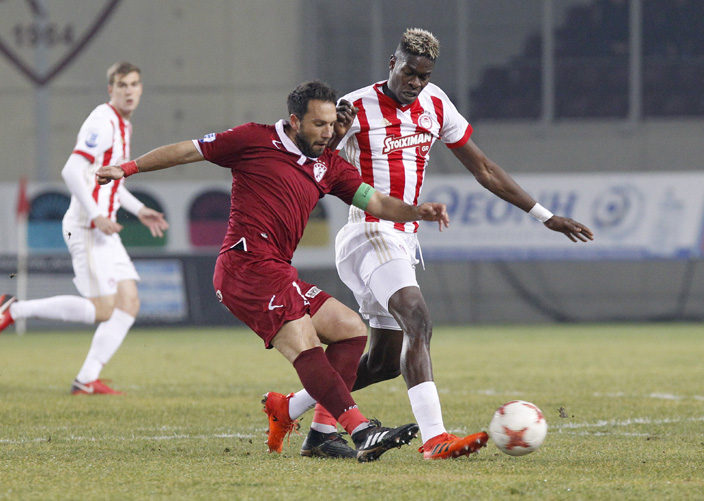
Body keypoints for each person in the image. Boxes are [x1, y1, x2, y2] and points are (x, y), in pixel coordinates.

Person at [276, 28, 595, 460]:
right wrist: (333, 138)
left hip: (403, 239)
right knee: (418, 319)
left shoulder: (436, 103)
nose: (415, 83)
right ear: (393, 63)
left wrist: (545, 215)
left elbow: (483, 168)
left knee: (384, 363)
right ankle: (435, 438)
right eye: (408, 72)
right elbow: (305, 159)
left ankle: (294, 410)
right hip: (369, 230)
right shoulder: (355, 107)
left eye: (423, 76)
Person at [95, 80, 451, 462]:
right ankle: (362, 430)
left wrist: (415, 211)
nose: (328, 133)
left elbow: (376, 201)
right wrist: (127, 168)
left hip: (278, 270)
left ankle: (321, 435)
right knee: (306, 344)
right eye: (318, 124)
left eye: (332, 125)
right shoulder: (253, 139)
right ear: (295, 121)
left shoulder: (329, 166)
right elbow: (187, 150)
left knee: (350, 330)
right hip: (244, 267)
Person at [0, 62, 168, 396]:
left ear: (140, 88)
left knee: (129, 302)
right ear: (111, 89)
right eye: (122, 85)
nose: (129, 91)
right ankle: (12, 309)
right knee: (104, 309)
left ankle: (86, 379)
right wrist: (95, 215)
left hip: (104, 230)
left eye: (134, 84)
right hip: (87, 227)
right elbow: (71, 170)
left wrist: (139, 209)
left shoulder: (123, 125)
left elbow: (110, 181)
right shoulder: (102, 122)